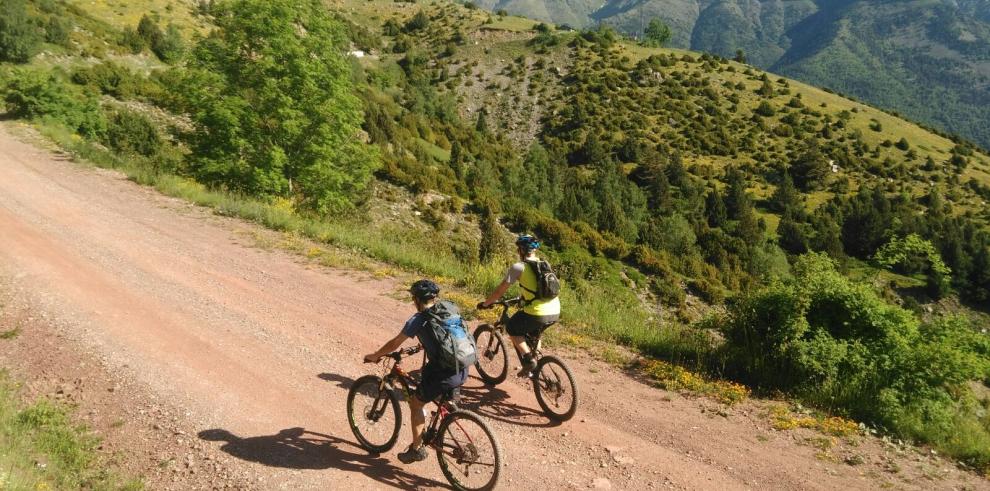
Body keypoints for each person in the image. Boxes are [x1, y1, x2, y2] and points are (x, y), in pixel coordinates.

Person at [363, 279, 469, 464]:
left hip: (444, 373)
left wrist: (375, 355)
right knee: (441, 396)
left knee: (416, 403)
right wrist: (422, 346)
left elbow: (394, 343)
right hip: (463, 366)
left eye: (413, 297)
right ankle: (447, 418)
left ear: (417, 300)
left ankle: (416, 449)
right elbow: (447, 339)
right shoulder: (448, 310)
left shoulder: (418, 319)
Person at [478, 234, 560, 377]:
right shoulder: (544, 264)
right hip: (555, 310)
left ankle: (528, 360)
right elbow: (539, 288)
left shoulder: (518, 267)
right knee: (534, 333)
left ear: (520, 250)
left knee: (512, 328)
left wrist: (486, 304)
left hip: (537, 312)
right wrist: (523, 298)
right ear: (534, 250)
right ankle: (536, 366)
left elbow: (499, 291)